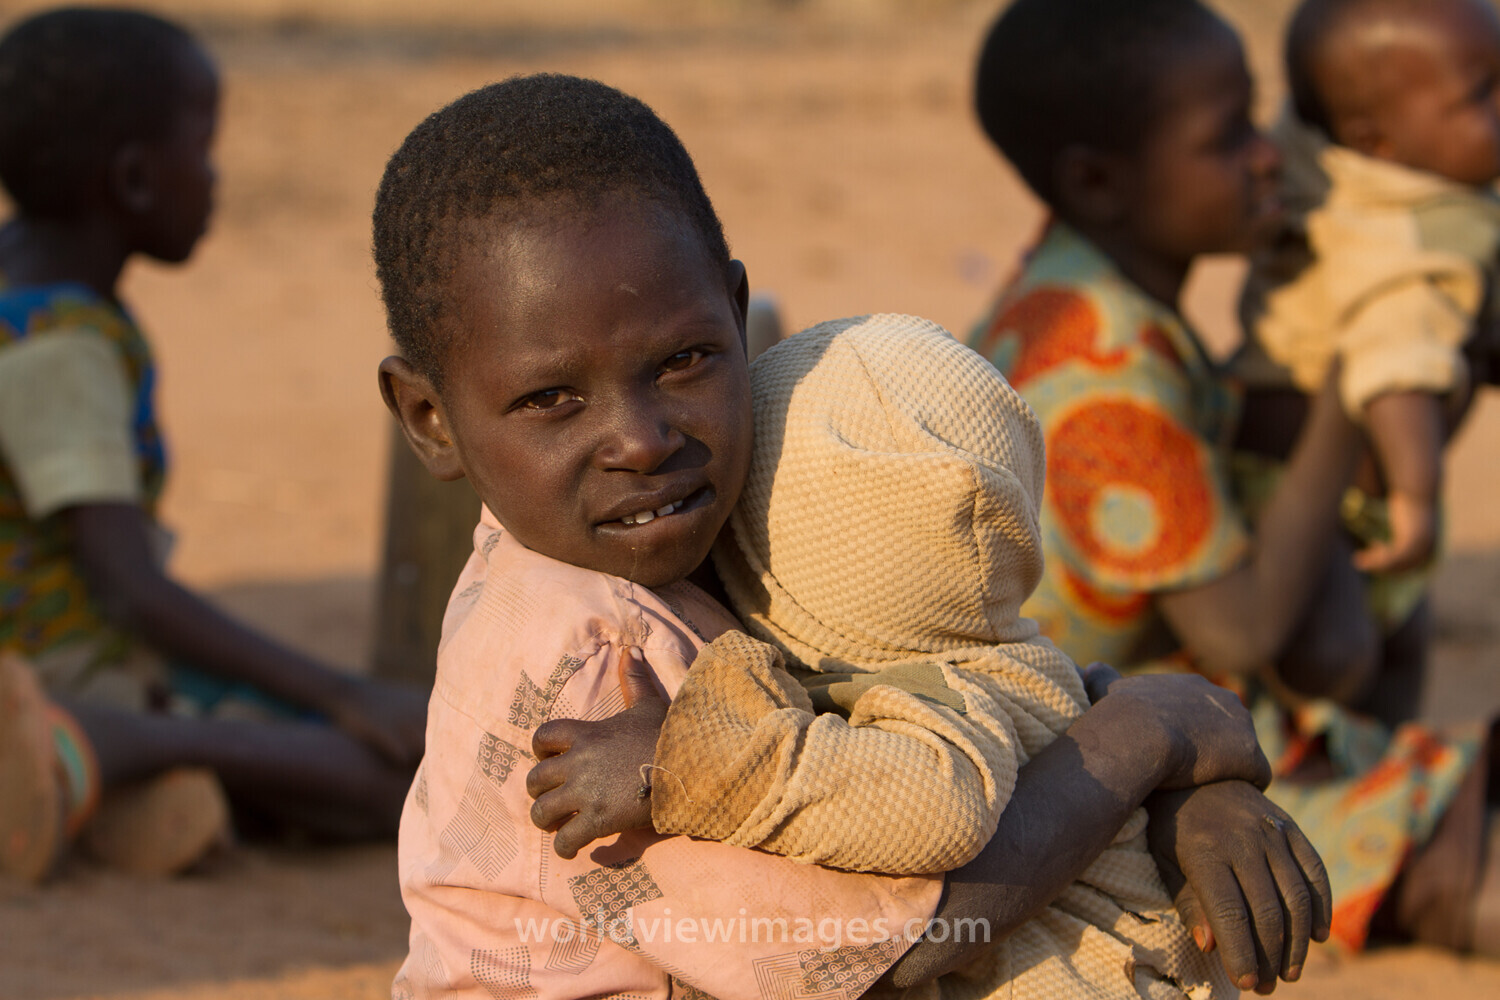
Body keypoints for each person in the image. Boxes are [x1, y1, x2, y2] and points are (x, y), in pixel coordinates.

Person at [377, 72, 1325, 999]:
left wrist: (1174, 794)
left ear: (738, 318)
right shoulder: (603, 663)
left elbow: (941, 674)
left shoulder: (652, 539)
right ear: (429, 418)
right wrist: (1144, 739)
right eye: (551, 399)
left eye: (684, 361)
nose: (641, 439)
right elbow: (899, 939)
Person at [527, 311, 1335, 999]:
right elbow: (1105, 717)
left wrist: (688, 765)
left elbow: (938, 805)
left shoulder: (926, 693)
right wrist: (1161, 739)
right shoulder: (1003, 655)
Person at [966, 0, 1499, 957]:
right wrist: (1353, 375)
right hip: (1082, 774)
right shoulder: (1104, 372)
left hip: (1165, 703)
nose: (1267, 156)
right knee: (1427, 860)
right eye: (1228, 139)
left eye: (1260, 120)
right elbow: (1244, 625)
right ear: (1099, 180)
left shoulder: (1096, 289)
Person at [0, 7, 424, 880]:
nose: (216, 177)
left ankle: (113, 784)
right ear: (133, 180)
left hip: (47, 656)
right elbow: (128, 585)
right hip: (60, 666)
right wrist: (342, 693)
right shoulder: (62, 351)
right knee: (393, 780)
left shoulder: (19, 287)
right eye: (203, 149)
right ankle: (106, 745)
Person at [1236, 0, 1500, 725]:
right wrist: (1416, 492)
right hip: (1305, 484)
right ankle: (1319, 762)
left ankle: (1383, 761)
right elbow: (1396, 370)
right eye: (1482, 95)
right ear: (1377, 138)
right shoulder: (1407, 249)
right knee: (1339, 646)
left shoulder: (1320, 145)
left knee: (1404, 632)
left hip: (1328, 476)